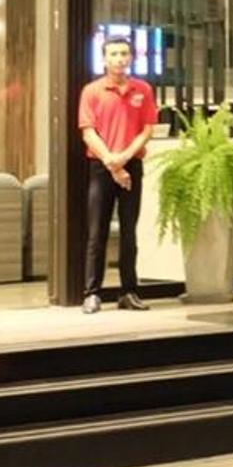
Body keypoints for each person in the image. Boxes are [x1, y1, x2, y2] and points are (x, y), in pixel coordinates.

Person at [78, 36, 156, 311]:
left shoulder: (143, 89)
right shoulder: (91, 91)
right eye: (113, 54)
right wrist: (113, 163)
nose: (120, 59)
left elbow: (147, 129)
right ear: (104, 59)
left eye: (124, 53)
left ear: (131, 57)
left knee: (129, 231)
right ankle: (92, 293)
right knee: (97, 231)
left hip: (131, 165)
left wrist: (123, 160)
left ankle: (128, 292)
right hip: (101, 166)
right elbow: (88, 132)